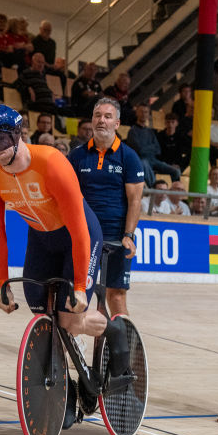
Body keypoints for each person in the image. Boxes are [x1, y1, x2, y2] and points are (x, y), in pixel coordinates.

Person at [0, 103, 132, 429]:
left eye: (0, 141)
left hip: (81, 235)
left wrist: (78, 287)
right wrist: (2, 284)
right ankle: (69, 388)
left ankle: (114, 330)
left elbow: (79, 228)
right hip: (43, 239)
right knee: (42, 316)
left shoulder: (51, 163)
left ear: (17, 135)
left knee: (69, 317)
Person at [66, 98, 145, 317]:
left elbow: (135, 200)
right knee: (77, 293)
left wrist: (129, 234)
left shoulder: (129, 157)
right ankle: (72, 342)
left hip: (116, 237)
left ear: (117, 123)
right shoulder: (77, 155)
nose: (102, 120)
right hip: (84, 237)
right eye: (97, 116)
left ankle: (122, 348)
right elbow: (68, 196)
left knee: (116, 295)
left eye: (107, 116)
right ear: (92, 120)